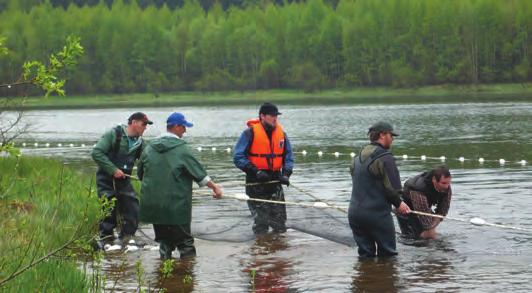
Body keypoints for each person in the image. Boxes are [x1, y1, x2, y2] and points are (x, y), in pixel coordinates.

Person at [138, 112, 223, 260]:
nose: (185, 130)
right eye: (183, 127)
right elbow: (200, 175)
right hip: (176, 206)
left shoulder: (149, 148)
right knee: (185, 243)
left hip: (154, 206)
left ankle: (165, 274)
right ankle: (187, 276)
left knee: (164, 242)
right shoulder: (182, 149)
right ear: (176, 127)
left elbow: (140, 174)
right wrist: (215, 188)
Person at [348, 121, 410, 257]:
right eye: (391, 135)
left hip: (354, 214)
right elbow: (392, 189)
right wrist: (400, 204)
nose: (392, 138)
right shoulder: (385, 158)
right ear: (382, 135)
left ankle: (366, 277)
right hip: (377, 215)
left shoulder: (356, 158)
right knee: (388, 257)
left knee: (365, 256)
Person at [91, 112, 152, 248]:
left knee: (133, 207)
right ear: (134, 123)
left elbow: (148, 161)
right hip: (106, 179)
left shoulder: (140, 143)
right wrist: (113, 170)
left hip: (124, 181)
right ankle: (106, 239)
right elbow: (96, 153)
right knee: (109, 210)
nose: (145, 128)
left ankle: (126, 238)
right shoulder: (114, 134)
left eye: (147, 125)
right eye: (144, 124)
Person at [233, 102, 294, 234]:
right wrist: (256, 171)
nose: (275, 118)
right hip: (256, 182)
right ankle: (260, 248)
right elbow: (238, 157)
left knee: (280, 222)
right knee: (261, 222)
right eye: (271, 115)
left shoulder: (282, 134)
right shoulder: (249, 134)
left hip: (275, 181)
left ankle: (274, 250)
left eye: (276, 115)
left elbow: (288, 156)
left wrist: (286, 174)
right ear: (262, 116)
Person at [396, 166, 452, 239]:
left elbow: (443, 210)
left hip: (424, 207)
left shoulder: (446, 188)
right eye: (443, 183)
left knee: (430, 236)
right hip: (406, 210)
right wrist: (430, 230)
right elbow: (425, 220)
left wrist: (434, 223)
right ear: (434, 180)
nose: (446, 186)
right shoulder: (418, 189)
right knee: (412, 239)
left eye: (448, 183)